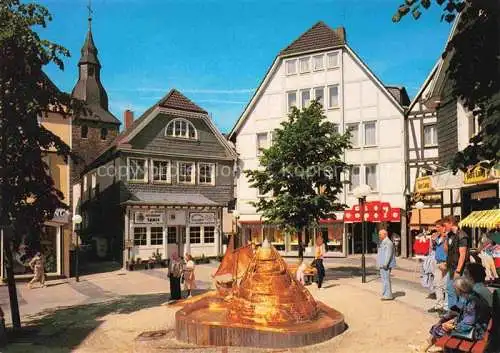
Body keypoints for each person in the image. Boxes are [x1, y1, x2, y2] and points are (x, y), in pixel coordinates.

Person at [414, 277, 491, 352]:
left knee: (440, 328)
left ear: (460, 290)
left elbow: (467, 324)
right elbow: (467, 317)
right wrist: (453, 321)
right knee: (442, 325)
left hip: (477, 332)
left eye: (455, 289)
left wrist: (453, 327)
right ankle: (425, 347)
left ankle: (424, 348)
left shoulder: (472, 303)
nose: (454, 291)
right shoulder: (472, 297)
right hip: (476, 327)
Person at [443, 215, 469, 310]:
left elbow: (462, 254)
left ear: (451, 223)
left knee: (460, 292)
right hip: (451, 267)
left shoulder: (462, 235)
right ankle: (452, 313)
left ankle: (460, 313)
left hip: (460, 269)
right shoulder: (450, 235)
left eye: (445, 225)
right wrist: (445, 238)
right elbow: (446, 251)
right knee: (450, 290)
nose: (444, 227)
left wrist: (458, 271)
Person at [428, 220, 447, 314]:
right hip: (437, 261)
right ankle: (439, 305)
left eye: (438, 227)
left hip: (445, 262)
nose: (437, 229)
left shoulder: (447, 237)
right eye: (436, 227)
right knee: (437, 284)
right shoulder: (437, 237)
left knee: (445, 285)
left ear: (444, 227)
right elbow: (433, 248)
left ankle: (446, 307)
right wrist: (433, 240)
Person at [376, 229, 396, 300]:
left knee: (386, 279)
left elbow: (389, 254)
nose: (379, 236)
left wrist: (385, 264)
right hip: (382, 264)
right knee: (384, 279)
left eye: (380, 234)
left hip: (385, 265)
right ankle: (385, 294)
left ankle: (388, 295)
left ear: (385, 234)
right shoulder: (384, 242)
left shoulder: (388, 242)